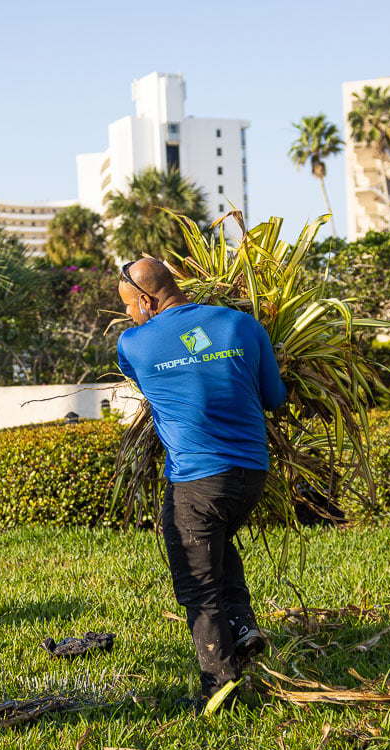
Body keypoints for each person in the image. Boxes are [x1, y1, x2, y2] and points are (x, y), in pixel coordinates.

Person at [116, 257, 287, 707]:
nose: (131, 315)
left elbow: (150, 385)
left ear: (147, 300)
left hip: (197, 478)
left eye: (131, 306)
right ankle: (243, 626)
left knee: (196, 582)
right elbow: (275, 397)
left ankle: (219, 684)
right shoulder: (242, 325)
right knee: (214, 542)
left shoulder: (134, 344)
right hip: (252, 473)